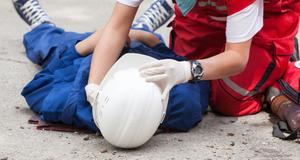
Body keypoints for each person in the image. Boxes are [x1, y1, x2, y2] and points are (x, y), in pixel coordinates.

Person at [81, 0, 300, 132]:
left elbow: (236, 58)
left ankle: (284, 67)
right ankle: (146, 28)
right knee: (194, 89)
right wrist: (94, 87)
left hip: (267, 19)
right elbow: (117, 27)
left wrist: (187, 70)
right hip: (203, 12)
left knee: (229, 101)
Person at [13, 0, 209, 132]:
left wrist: (88, 45)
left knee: (52, 47)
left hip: (88, 53)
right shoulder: (182, 107)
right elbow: (187, 73)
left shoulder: (73, 103)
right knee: (139, 38)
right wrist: (148, 40)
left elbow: (38, 85)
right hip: (142, 49)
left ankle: (41, 24)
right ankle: (141, 27)